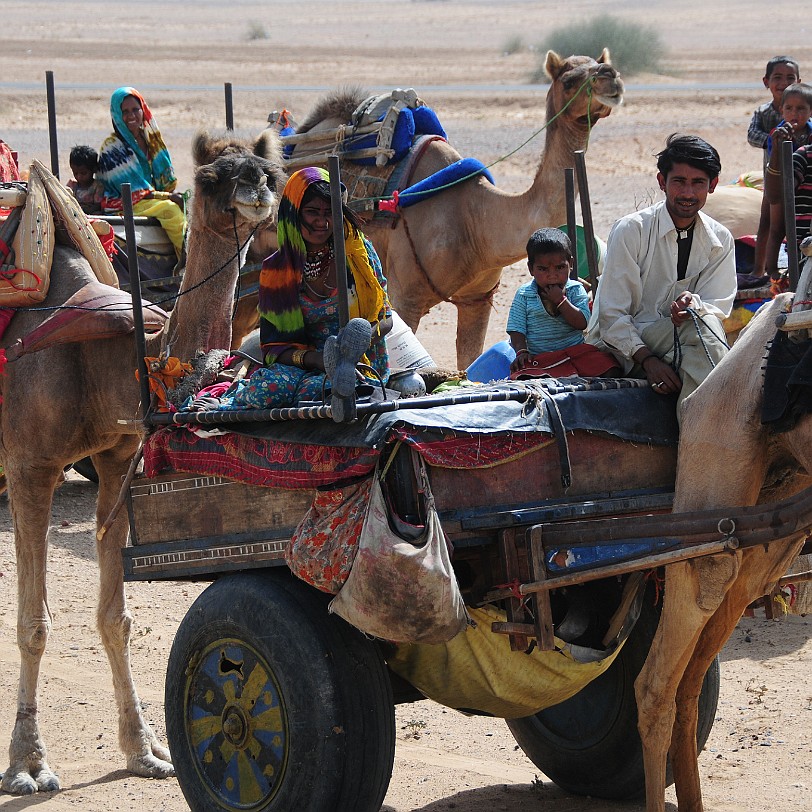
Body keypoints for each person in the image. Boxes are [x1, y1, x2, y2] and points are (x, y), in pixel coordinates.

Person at [585, 134, 736, 418]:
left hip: (686, 336)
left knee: (702, 324)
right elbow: (612, 316)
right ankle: (706, 431)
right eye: (679, 181)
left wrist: (692, 305)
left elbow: (716, 307)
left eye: (698, 183)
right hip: (626, 342)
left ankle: (700, 427)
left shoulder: (720, 239)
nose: (688, 193)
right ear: (661, 182)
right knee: (702, 331)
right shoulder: (632, 230)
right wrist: (649, 360)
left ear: (712, 185)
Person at [230, 166, 392, 409]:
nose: (322, 221)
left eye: (329, 212)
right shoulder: (276, 270)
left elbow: (386, 318)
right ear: (294, 213)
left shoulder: (358, 254)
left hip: (359, 364)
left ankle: (339, 387)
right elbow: (274, 348)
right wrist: (316, 359)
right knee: (268, 390)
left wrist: (351, 346)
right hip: (305, 365)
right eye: (312, 212)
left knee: (329, 390)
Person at [507, 227, 617, 378]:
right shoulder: (525, 294)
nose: (552, 276)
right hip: (540, 357)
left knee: (609, 366)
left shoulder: (575, 289)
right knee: (522, 375)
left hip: (575, 354)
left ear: (570, 264)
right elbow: (516, 329)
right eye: (543, 269)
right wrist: (522, 352)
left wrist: (560, 301)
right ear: (531, 269)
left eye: (560, 267)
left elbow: (582, 323)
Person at [96, 87, 186, 259]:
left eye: (135, 109)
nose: (131, 116)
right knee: (170, 210)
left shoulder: (150, 141)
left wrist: (170, 194)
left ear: (143, 110)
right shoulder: (112, 147)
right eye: (125, 111)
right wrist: (166, 197)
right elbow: (135, 192)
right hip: (125, 203)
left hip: (148, 199)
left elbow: (164, 181)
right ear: (116, 115)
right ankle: (190, 261)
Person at [748, 56, 800, 278]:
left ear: (798, 81)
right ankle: (760, 270)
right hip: (774, 178)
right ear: (766, 82)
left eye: (790, 78)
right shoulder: (763, 112)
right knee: (768, 223)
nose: (783, 82)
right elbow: (752, 136)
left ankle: (796, 269)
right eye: (777, 77)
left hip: (802, 179)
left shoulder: (804, 108)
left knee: (799, 223)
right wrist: (775, 140)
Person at [760, 83, 812, 278]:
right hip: (780, 182)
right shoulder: (780, 133)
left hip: (802, 184)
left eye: (801, 109)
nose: (794, 113)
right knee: (775, 227)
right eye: (789, 108)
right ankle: (769, 269)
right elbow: (776, 175)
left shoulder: (809, 131)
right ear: (781, 110)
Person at [67, 145, 105, 215]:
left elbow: (97, 206)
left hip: (90, 215)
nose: (79, 177)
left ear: (94, 169)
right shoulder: (72, 184)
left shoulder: (97, 186)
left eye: (83, 173)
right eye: (75, 173)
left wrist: (82, 210)